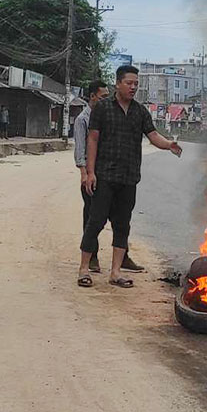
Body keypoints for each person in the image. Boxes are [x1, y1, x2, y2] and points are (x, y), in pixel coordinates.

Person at [78, 65, 183, 288]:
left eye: (136, 83)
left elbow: (153, 135)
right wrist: (90, 172)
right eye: (129, 83)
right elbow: (92, 139)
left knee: (122, 225)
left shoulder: (140, 112)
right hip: (105, 176)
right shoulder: (103, 108)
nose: (133, 87)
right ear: (118, 84)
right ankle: (84, 269)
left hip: (128, 177)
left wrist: (168, 145)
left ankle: (115, 272)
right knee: (95, 222)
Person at [75, 80, 143, 274]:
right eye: (103, 96)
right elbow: (82, 148)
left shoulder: (109, 114)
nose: (106, 99)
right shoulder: (83, 119)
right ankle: (91, 259)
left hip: (111, 175)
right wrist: (85, 173)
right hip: (94, 175)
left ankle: (123, 258)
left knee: (120, 219)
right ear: (92, 97)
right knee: (94, 218)